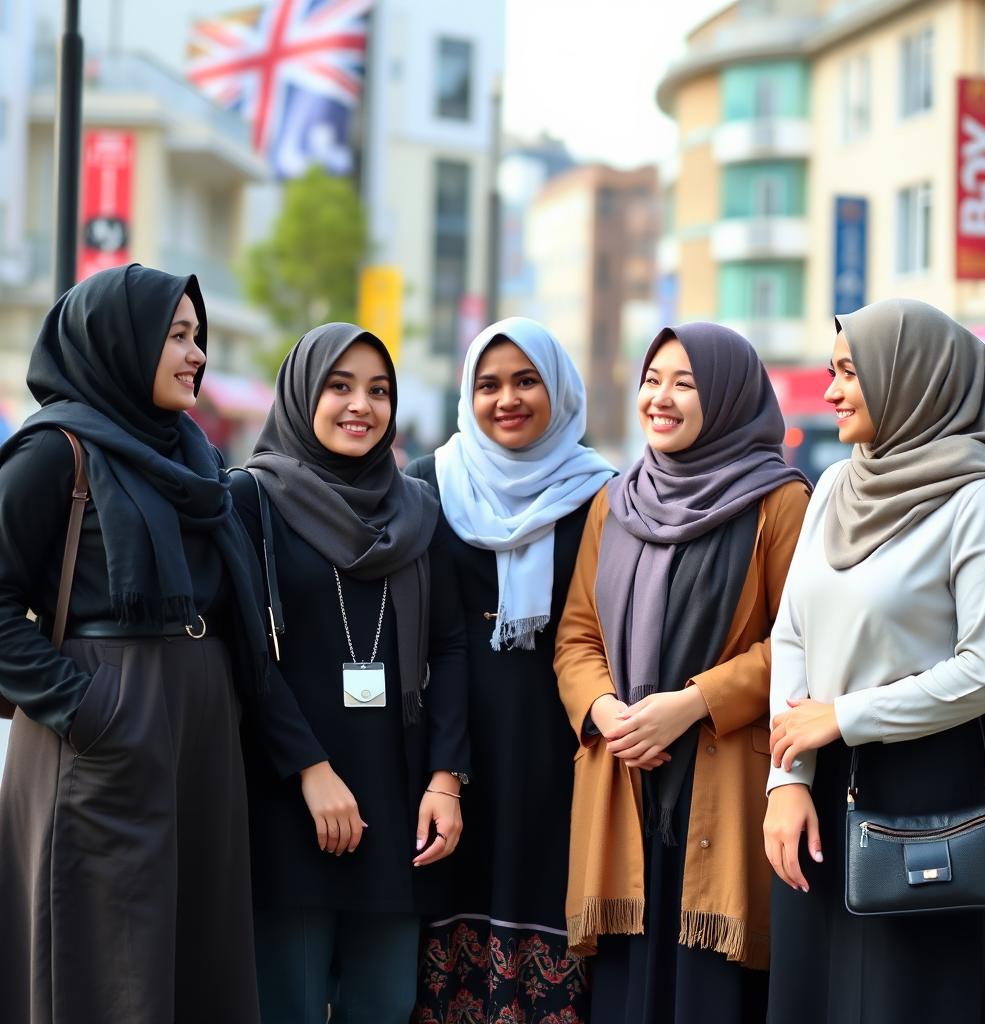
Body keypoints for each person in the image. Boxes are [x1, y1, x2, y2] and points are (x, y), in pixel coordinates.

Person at [0, 264, 269, 1023]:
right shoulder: (53, 452)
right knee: (108, 953)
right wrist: (90, 708)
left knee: (194, 953)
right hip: (100, 729)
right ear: (121, 342)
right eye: (177, 336)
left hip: (198, 730)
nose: (196, 355)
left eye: (197, 336)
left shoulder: (195, 459)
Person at [764, 298, 985, 1023]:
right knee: (811, 999)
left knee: (909, 1001)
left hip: (927, 787)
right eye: (832, 371)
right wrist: (787, 780)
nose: (832, 391)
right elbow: (792, 636)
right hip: (822, 779)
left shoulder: (980, 500)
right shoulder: (838, 490)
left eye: (850, 372)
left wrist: (843, 717)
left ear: (912, 377)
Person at [555, 323, 810, 1024]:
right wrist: (605, 711)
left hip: (720, 780)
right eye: (652, 380)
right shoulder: (618, 500)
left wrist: (694, 703)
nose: (661, 398)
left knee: (708, 995)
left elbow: (800, 646)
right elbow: (577, 634)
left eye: (685, 383)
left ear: (728, 396)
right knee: (626, 988)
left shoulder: (781, 502)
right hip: (624, 771)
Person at [230, 322, 469, 1024]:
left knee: (383, 1004)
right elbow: (245, 654)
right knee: (291, 1005)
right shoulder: (250, 502)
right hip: (287, 800)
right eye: (339, 386)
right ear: (303, 393)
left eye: (378, 390)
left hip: (396, 803)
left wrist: (447, 779)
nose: (360, 405)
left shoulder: (418, 512)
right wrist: (309, 769)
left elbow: (450, 646)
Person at [409, 317, 614, 1023]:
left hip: (562, 743)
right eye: (489, 384)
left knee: (551, 891)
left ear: (559, 387)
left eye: (526, 380)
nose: (507, 399)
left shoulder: (606, 497)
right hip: (451, 742)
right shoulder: (427, 485)